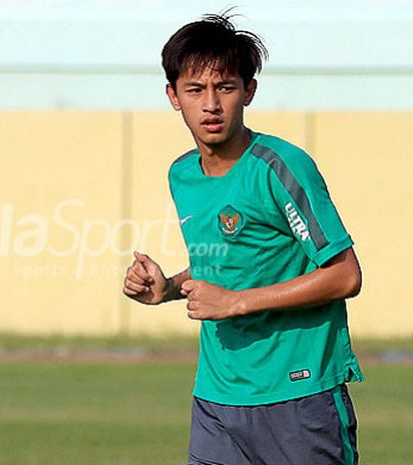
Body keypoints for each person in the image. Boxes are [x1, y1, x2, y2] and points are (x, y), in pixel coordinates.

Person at [122, 12, 364, 465]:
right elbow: (231, 263)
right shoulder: (182, 175)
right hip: (217, 400)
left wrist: (235, 302)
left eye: (225, 88)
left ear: (248, 91)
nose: (210, 105)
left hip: (299, 395)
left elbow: (344, 275)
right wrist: (168, 288)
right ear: (173, 96)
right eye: (195, 90)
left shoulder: (280, 167)